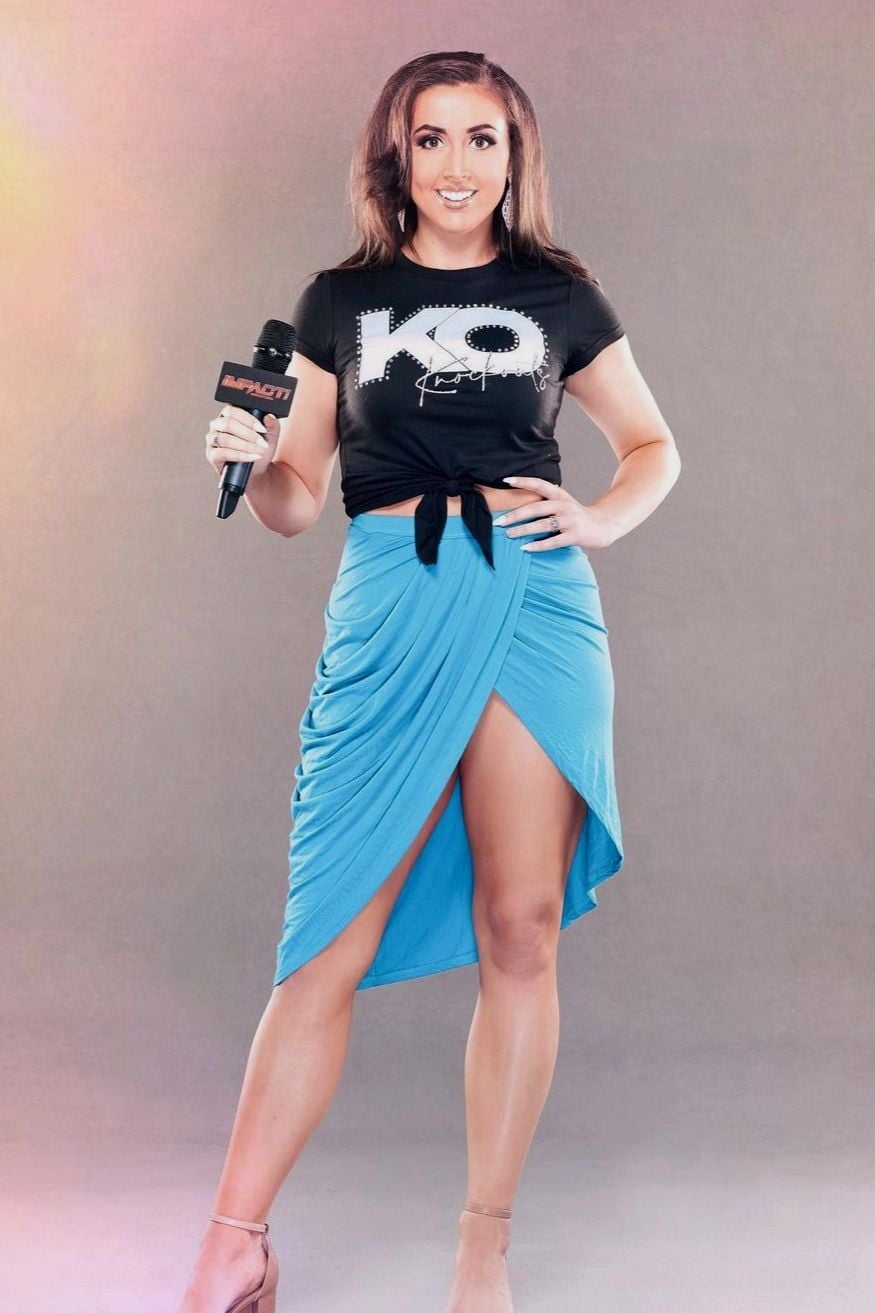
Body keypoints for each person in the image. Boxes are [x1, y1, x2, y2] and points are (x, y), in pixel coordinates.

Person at [181, 50, 680, 1313]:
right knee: (325, 940)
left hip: (531, 602)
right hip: (391, 604)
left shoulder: (557, 294)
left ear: (514, 158)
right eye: (431, 139)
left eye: (481, 139)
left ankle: (481, 1246)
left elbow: (650, 446)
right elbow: (298, 499)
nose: (456, 166)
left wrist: (599, 519)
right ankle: (231, 1244)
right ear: (394, 158)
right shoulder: (337, 302)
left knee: (519, 924)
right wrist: (253, 458)